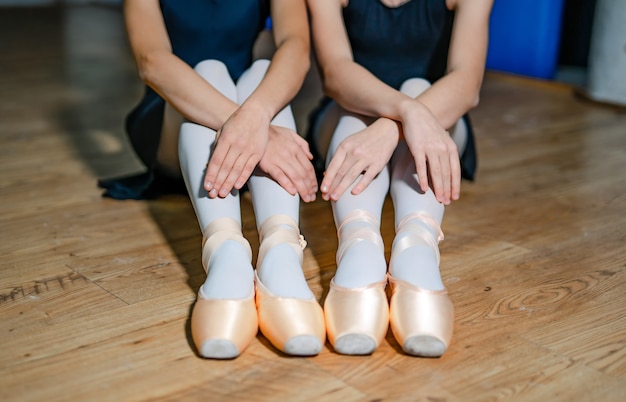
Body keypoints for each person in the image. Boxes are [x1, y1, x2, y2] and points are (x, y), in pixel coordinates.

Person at [101, 0, 325, 359]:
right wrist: (248, 125)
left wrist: (255, 117)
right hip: (174, 113)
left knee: (264, 70)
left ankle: (280, 249)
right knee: (207, 69)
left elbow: (296, 47)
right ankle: (225, 250)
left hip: (249, 105)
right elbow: (152, 61)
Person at [306, 0, 493, 356]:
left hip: (439, 121)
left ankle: (417, 246)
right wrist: (405, 113)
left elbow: (466, 83)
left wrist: (394, 129)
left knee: (417, 84)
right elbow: (336, 71)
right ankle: (359, 243)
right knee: (358, 115)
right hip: (351, 114)